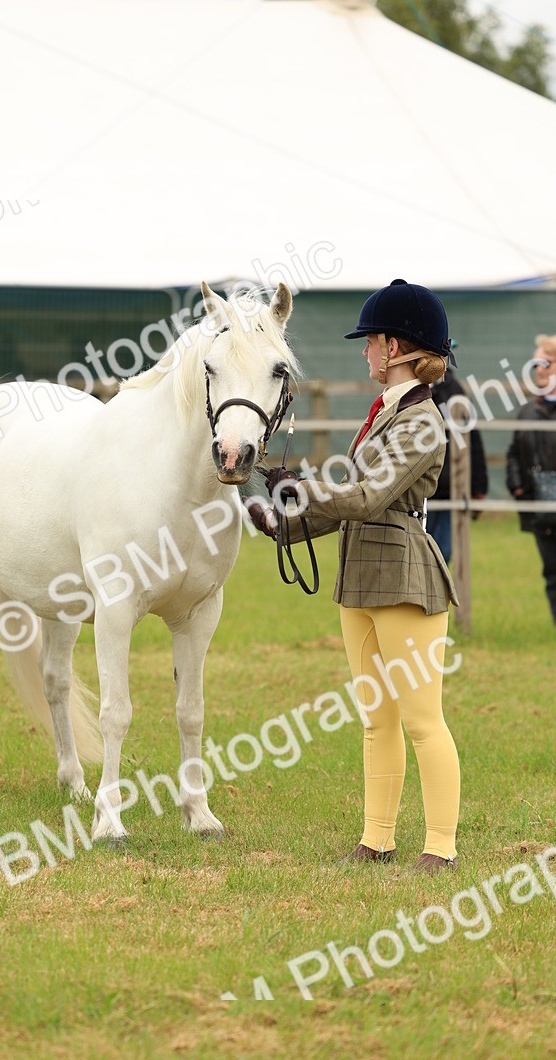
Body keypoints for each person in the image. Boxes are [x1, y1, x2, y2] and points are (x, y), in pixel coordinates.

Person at [247, 279, 461, 873]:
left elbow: (368, 497)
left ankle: (440, 847)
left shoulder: (421, 423)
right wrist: (282, 521)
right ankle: (377, 839)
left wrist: (303, 490)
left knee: (421, 719)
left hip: (403, 580)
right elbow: (350, 502)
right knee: (376, 718)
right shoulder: (382, 416)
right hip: (360, 578)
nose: (364, 350)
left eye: (371, 341)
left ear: (396, 347)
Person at [506, 335, 556, 624]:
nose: (539, 370)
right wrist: (518, 487)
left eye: (546, 363)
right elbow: (513, 453)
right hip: (540, 506)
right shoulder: (527, 410)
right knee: (551, 570)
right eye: (536, 364)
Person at [427, 366, 488, 563]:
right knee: (420, 549)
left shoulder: (453, 390)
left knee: (443, 550)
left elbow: (473, 438)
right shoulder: (409, 391)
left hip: (451, 487)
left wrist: (478, 486)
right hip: (421, 490)